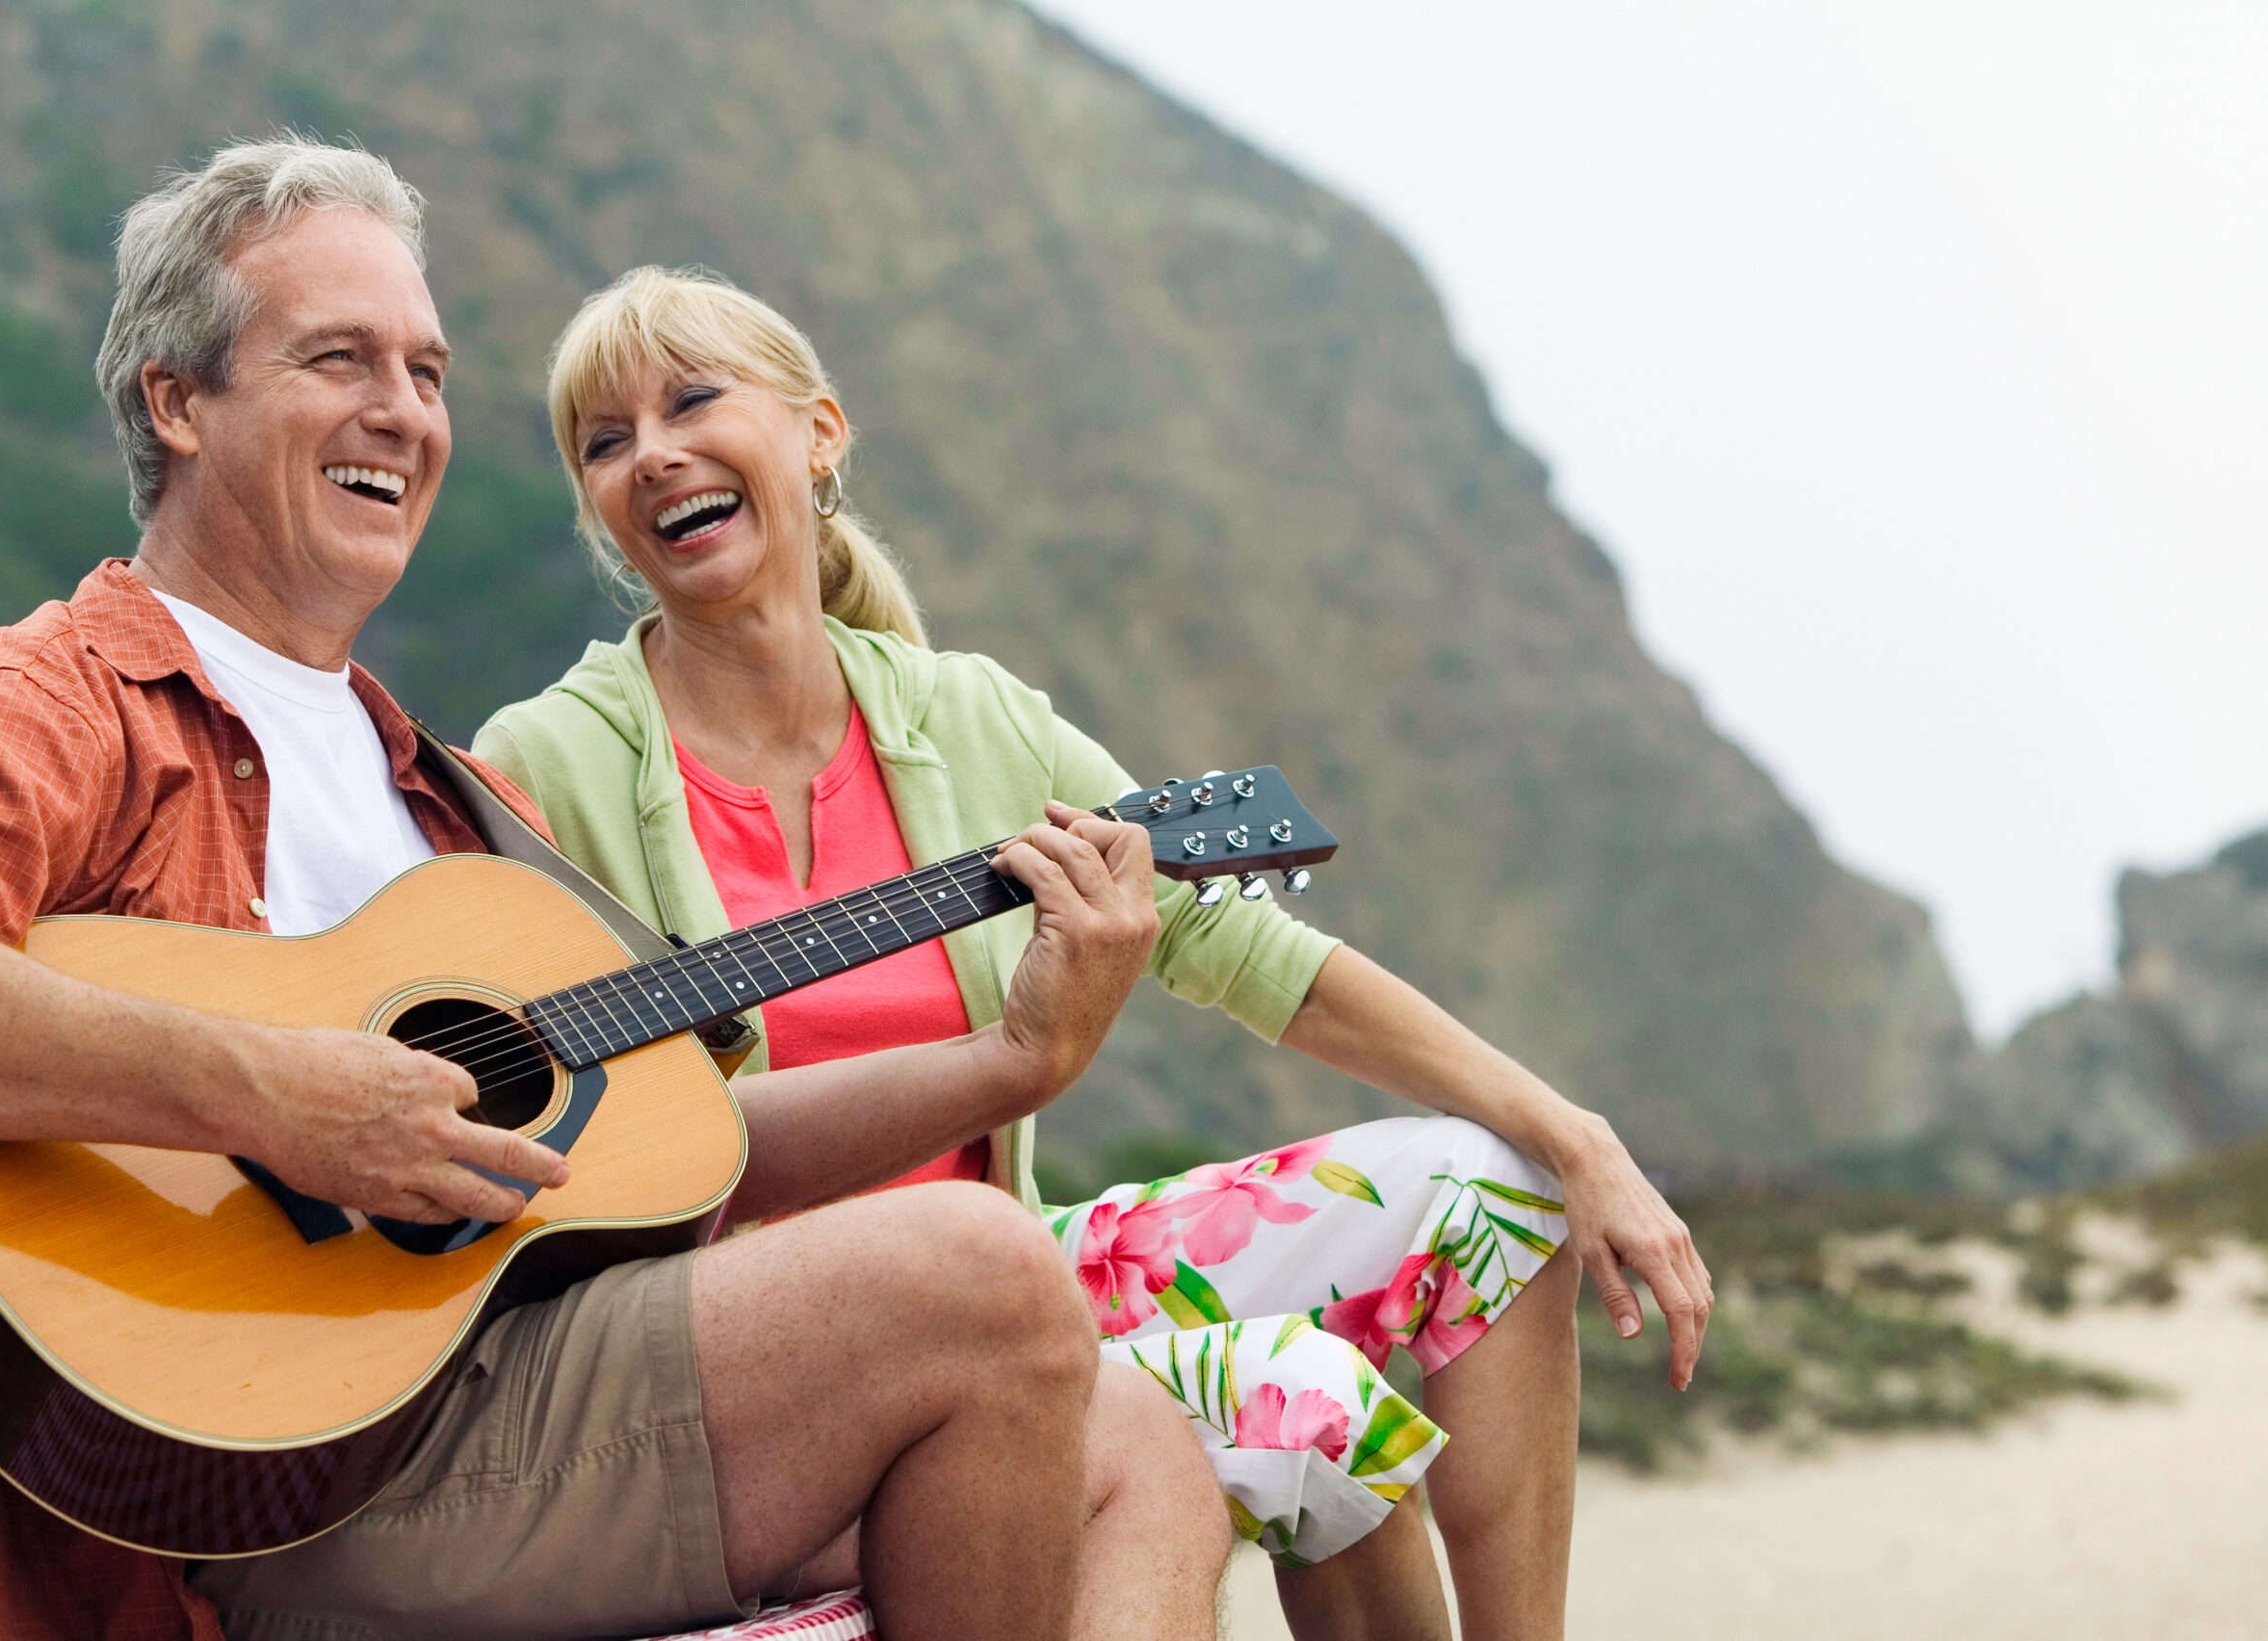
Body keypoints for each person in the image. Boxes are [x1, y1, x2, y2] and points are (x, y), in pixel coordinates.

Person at [0, 140, 1235, 1641]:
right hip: (286, 1489)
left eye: (426, 370)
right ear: (178, 399)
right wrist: (272, 1096)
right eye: (338, 358)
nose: (402, 412)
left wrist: (1011, 1062)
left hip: (507, 1393)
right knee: (983, 1268)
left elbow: (672, 1156)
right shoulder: (61, 694)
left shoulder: (439, 786)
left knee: (1142, 1451)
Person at [476, 267, 1720, 1641]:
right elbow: (566, 1135)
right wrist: (1017, 1056)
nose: (651, 451)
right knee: (1304, 1402)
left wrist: (1576, 1133)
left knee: (1495, 1186)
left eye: (693, 399)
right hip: (767, 1348)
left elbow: (1245, 949)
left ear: (817, 434)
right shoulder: (549, 762)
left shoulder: (971, 719)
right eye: (605, 439)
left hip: (1015, 1276)